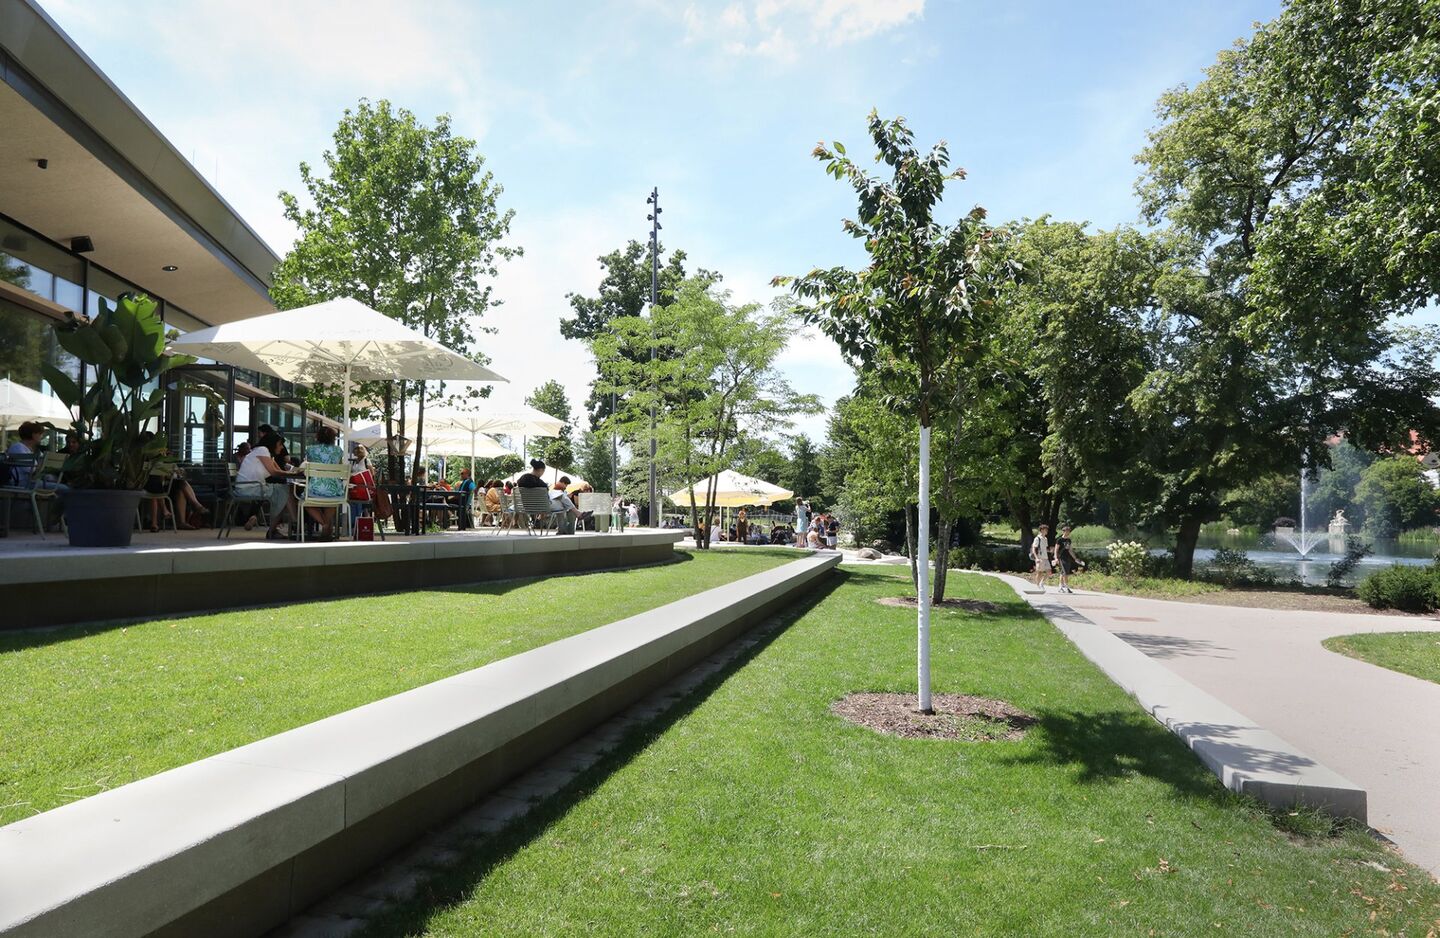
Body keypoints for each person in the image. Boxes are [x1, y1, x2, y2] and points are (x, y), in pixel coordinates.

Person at [235, 430, 297, 538]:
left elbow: (279, 471)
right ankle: (294, 524)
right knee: (285, 492)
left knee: (285, 491)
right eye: (280, 444)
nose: (282, 447)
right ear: (273, 443)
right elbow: (274, 472)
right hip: (249, 487)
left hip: (251, 486)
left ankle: (288, 526)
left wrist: (291, 472)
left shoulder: (265, 453)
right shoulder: (263, 450)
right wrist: (294, 473)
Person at [297, 425, 344, 540]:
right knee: (331, 502)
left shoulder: (311, 449)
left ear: (318, 436)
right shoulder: (338, 450)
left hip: (315, 488)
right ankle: (327, 529)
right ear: (333, 438)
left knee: (306, 502)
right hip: (334, 489)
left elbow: (308, 465)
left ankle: (325, 525)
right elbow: (339, 466)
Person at [1052, 524, 1085, 594]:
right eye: (1067, 531)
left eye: (1069, 531)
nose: (1068, 532)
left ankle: (1060, 587)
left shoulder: (1069, 540)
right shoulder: (1059, 540)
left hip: (1067, 558)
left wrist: (1075, 558)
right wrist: (1056, 558)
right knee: (1065, 573)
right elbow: (1056, 549)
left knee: (1063, 572)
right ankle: (1066, 587)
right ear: (1063, 531)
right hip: (1061, 558)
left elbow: (1070, 550)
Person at [1030, 523, 1053, 591]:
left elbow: (1044, 548)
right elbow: (1034, 549)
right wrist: (1037, 558)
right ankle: (1037, 586)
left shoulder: (1045, 538)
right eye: (1046, 530)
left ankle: (1041, 583)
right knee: (1039, 572)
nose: (1047, 531)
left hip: (1045, 557)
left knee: (1049, 571)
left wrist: (1050, 550)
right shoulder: (1037, 538)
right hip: (1040, 558)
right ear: (1042, 530)